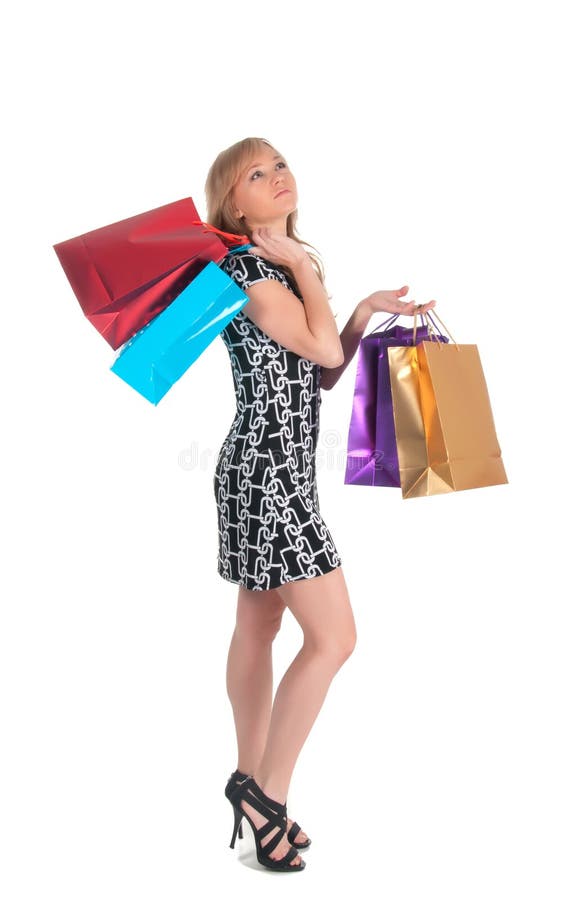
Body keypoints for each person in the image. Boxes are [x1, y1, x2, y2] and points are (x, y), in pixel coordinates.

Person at [204, 137, 436, 872]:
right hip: (266, 473)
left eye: (281, 165)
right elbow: (324, 355)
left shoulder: (283, 269)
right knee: (336, 639)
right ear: (234, 204)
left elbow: (319, 372)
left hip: (273, 473)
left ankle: (249, 781)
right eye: (257, 173)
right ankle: (266, 797)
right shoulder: (246, 270)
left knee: (261, 618)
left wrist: (363, 310)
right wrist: (307, 270)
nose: (279, 177)